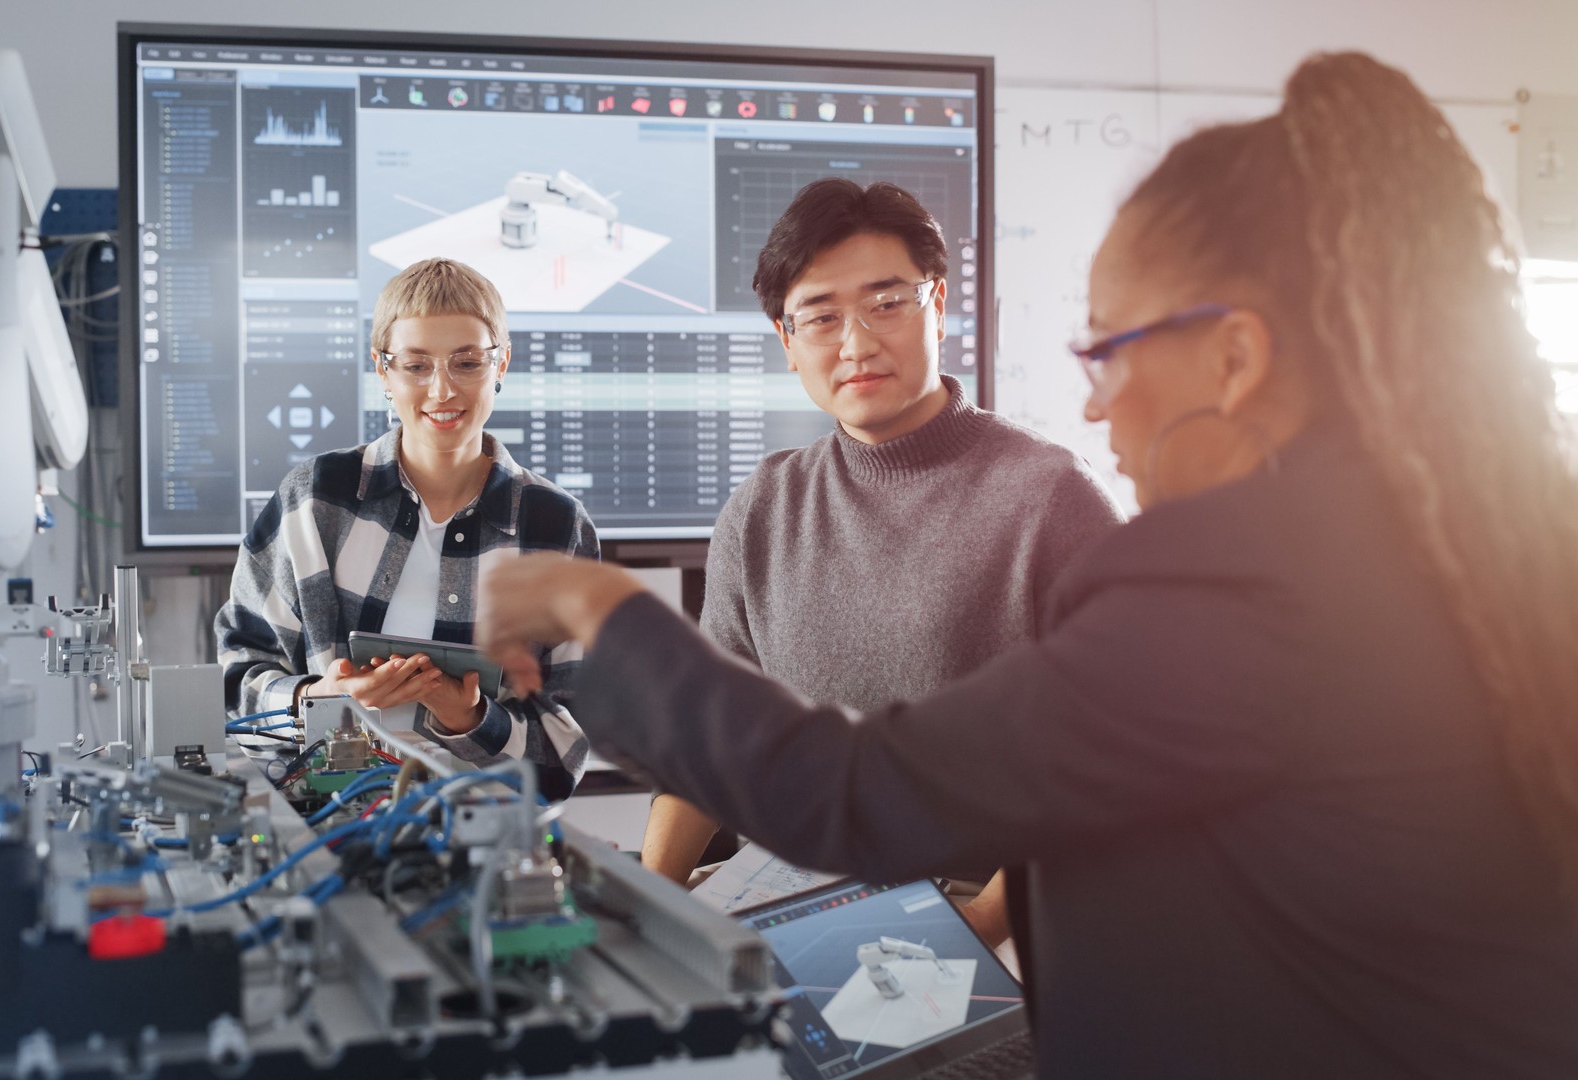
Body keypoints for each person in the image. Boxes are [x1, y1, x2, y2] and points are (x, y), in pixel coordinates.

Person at [476, 52, 1578, 1077]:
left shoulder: (1233, 580)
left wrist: (595, 603)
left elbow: (866, 795)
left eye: (1108, 348)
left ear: (1236, 357)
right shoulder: (1449, 536)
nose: (1096, 401)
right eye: (819, 316)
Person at [641, 179, 1122, 948]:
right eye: (822, 316)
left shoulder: (1050, 496)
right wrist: (643, 903)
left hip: (987, 914)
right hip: (790, 897)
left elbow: (1109, 760)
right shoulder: (762, 507)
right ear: (786, 339)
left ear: (937, 303)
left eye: (886, 303)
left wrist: (979, 930)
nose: (857, 342)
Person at [216, 257, 597, 800]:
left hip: (486, 841)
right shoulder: (315, 498)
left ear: (502, 364)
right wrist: (321, 697)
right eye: (417, 366)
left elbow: (565, 754)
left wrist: (468, 717)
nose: (442, 391)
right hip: (322, 823)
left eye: (467, 363)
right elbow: (235, 681)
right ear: (383, 371)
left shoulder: (555, 527)